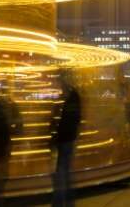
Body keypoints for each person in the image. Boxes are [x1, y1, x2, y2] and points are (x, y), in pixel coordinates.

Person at [51, 74, 81, 207]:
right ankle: (68, 202)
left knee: (61, 172)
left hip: (64, 138)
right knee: (65, 172)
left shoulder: (66, 99)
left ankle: (59, 202)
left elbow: (59, 119)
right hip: (69, 137)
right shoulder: (74, 98)